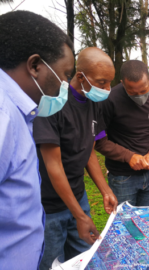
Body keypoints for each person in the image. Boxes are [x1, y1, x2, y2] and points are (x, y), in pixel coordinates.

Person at [0, 11, 74, 269]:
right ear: (35, 66)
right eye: (65, 75)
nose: (66, 85)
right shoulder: (3, 116)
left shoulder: (19, 114)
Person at [34, 47, 118, 270]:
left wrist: (105, 190)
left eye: (110, 82)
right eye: (102, 83)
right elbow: (53, 164)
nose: (107, 89)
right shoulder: (52, 103)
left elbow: (88, 150)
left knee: (83, 258)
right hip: (49, 207)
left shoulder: (93, 103)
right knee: (52, 263)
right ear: (81, 77)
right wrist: (79, 216)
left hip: (78, 196)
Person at [95, 60, 149, 207]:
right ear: (122, 83)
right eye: (132, 92)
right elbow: (99, 141)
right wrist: (129, 156)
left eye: (144, 90)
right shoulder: (109, 99)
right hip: (122, 177)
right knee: (125, 225)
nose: (139, 96)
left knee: (147, 221)